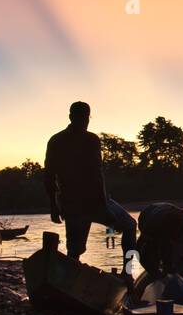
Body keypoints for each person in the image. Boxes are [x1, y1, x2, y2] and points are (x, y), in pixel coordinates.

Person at [43, 101, 137, 264]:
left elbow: (49, 177)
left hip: (69, 203)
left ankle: (69, 280)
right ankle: (128, 273)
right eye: (84, 118)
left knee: (74, 250)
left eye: (86, 118)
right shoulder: (90, 140)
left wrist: (54, 206)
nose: (85, 122)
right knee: (129, 226)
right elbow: (96, 174)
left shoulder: (55, 140)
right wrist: (103, 206)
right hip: (91, 202)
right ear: (74, 117)